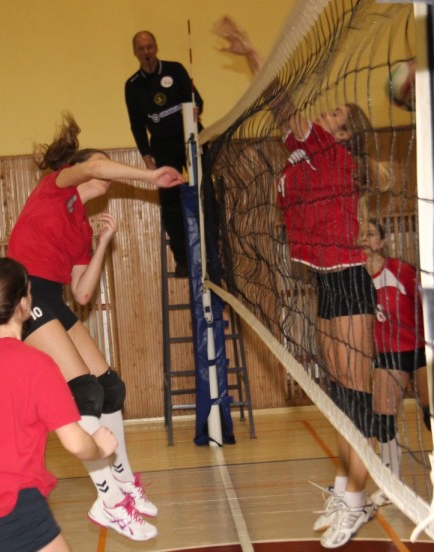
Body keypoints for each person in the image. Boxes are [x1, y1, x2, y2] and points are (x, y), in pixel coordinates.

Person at [213, 16, 381, 548]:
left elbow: (283, 103)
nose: (326, 115)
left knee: (355, 398)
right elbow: (282, 118)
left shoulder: (331, 151)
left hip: (349, 282)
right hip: (325, 285)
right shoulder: (304, 153)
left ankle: (358, 500)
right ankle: (349, 488)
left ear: (345, 135)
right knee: (339, 396)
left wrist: (253, 52)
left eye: (336, 116)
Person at [7, 112, 185, 541]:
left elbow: (83, 293)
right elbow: (97, 167)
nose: (105, 172)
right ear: (81, 168)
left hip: (52, 298)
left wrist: (103, 242)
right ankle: (108, 499)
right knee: (83, 392)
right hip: (24, 296)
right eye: (99, 164)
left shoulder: (81, 226)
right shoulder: (55, 188)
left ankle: (123, 481)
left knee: (109, 387)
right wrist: (149, 176)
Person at [0, 257, 117, 552]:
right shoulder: (37, 364)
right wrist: (100, 447)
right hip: (13, 508)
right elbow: (75, 443)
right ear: (23, 304)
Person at [125, 30, 204, 277]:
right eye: (141, 49)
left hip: (190, 138)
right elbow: (136, 125)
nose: (147, 52)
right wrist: (146, 155)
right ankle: (183, 259)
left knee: (204, 191)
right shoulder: (132, 85)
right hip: (162, 145)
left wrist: (194, 111)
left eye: (150, 47)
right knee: (170, 202)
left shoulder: (175, 69)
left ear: (156, 47)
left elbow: (198, 101)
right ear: (135, 53)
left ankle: (212, 251)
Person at [361, 220, 429, 506]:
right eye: (360, 235)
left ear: (382, 242)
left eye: (370, 234)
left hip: (421, 349)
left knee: (430, 415)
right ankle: (392, 484)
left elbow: (428, 301)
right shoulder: (356, 282)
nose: (364, 239)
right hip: (389, 356)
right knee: (383, 417)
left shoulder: (401, 271)